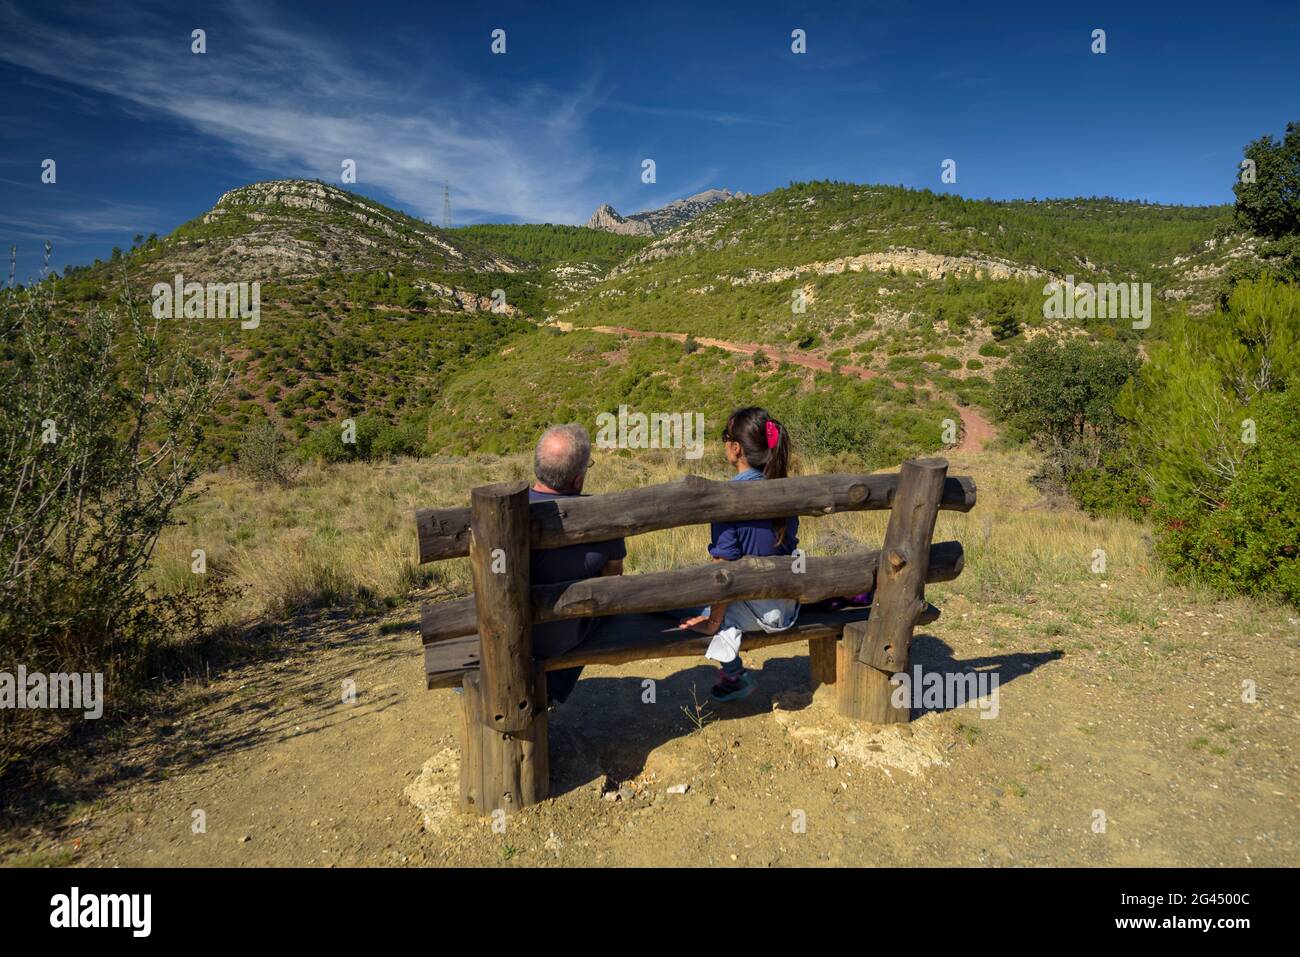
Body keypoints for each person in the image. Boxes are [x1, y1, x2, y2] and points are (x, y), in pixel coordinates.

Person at [678, 407, 799, 702]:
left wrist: (713, 623)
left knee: (673, 607)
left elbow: (725, 570)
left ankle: (734, 674)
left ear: (736, 448)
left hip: (755, 613)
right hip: (786, 608)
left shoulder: (727, 498)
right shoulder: (788, 490)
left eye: (724, 437)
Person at [528, 423, 626, 706]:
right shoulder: (602, 515)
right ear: (578, 480)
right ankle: (550, 691)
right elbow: (613, 581)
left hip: (509, 633)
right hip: (564, 637)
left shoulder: (509, 507)